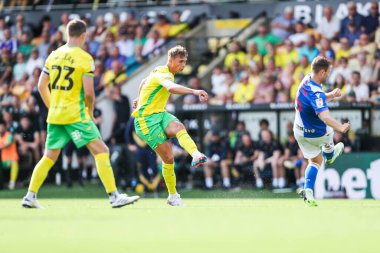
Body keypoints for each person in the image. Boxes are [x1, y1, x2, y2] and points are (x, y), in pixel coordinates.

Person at [21, 19, 139, 209]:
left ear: (68, 34)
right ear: (83, 35)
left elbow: (41, 85)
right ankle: (114, 196)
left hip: (56, 115)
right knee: (102, 151)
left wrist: (52, 106)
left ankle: (30, 196)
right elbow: (90, 93)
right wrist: (90, 112)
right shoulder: (85, 58)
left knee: (49, 156)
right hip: (75, 115)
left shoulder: (54, 55)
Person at [132, 45, 208, 206]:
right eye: (180, 61)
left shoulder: (159, 70)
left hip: (160, 114)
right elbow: (171, 88)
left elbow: (143, 81)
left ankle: (195, 154)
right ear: (170, 60)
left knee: (180, 127)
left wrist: (139, 98)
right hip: (145, 120)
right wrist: (194, 91)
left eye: (185, 61)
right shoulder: (164, 74)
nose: (183, 65)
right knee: (168, 157)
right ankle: (173, 196)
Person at [293, 56, 350, 207]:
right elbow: (325, 116)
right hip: (317, 134)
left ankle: (308, 191)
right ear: (323, 72)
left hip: (299, 132)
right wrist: (341, 127)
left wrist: (331, 94)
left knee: (315, 161)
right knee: (329, 129)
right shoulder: (317, 93)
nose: (329, 75)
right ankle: (330, 155)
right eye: (328, 72)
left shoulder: (305, 81)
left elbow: (316, 99)